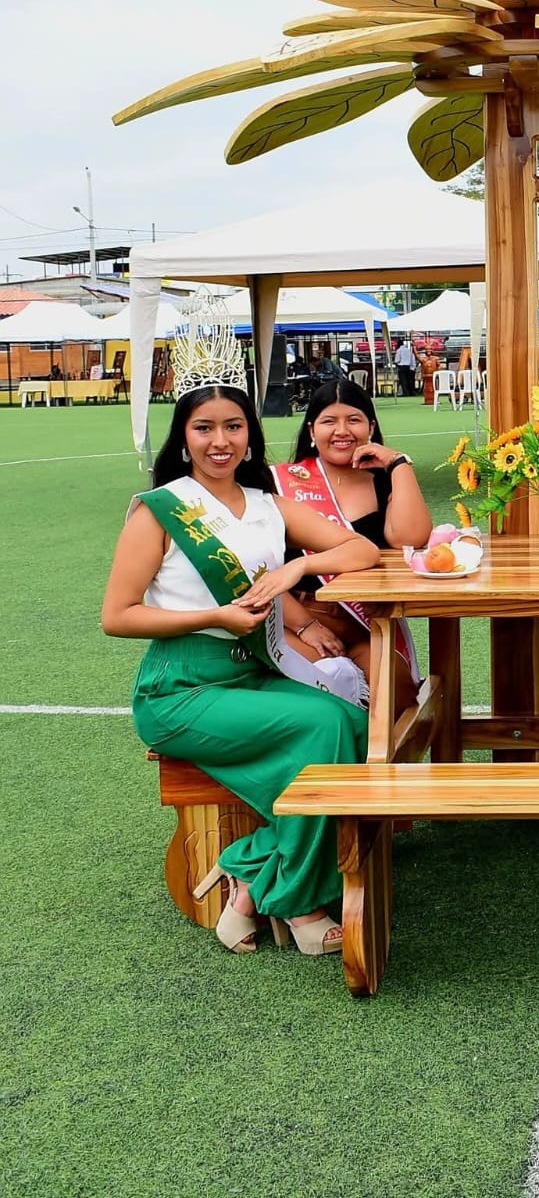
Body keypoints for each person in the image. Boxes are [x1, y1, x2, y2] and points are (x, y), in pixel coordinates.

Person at [101, 385, 382, 957]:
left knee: (355, 724)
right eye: (203, 428)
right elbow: (117, 616)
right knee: (322, 726)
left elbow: (362, 551)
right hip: (180, 689)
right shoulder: (160, 509)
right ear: (183, 438)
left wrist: (295, 569)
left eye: (233, 426)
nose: (220, 441)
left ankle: (249, 874)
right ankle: (301, 903)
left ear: (249, 433)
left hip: (251, 673)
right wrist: (214, 616)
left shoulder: (267, 505)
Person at [273, 379, 432, 704]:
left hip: (368, 620)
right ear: (311, 430)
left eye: (354, 420)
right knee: (325, 696)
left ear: (371, 427)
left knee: (396, 695)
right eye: (329, 421)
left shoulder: (384, 481)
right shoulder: (279, 481)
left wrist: (398, 463)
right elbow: (256, 566)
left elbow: (411, 537)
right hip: (300, 616)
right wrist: (304, 625)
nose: (342, 431)